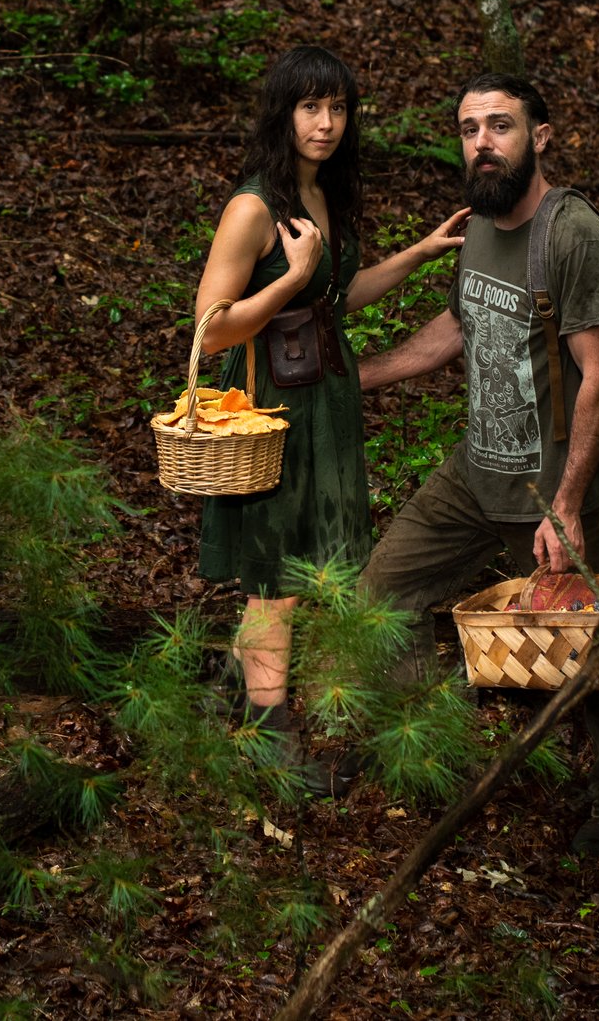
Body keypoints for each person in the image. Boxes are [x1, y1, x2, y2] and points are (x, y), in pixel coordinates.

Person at [356, 71, 599, 856]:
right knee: (380, 596)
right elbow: (455, 328)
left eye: (500, 125)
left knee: (597, 657)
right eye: (468, 129)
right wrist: (356, 376)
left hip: (556, 488)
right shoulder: (480, 223)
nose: (482, 143)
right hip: (476, 476)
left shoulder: (573, 234)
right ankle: (445, 749)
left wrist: (571, 504)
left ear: (540, 135)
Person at [191, 46, 469, 783]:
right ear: (283, 114)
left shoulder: (322, 196)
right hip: (271, 406)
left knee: (316, 567)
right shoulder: (254, 207)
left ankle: (241, 683)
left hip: (327, 401)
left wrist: (419, 252)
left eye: (338, 107)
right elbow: (211, 326)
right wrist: (297, 277)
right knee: (273, 573)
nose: (325, 122)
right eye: (310, 106)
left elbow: (334, 299)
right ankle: (269, 740)